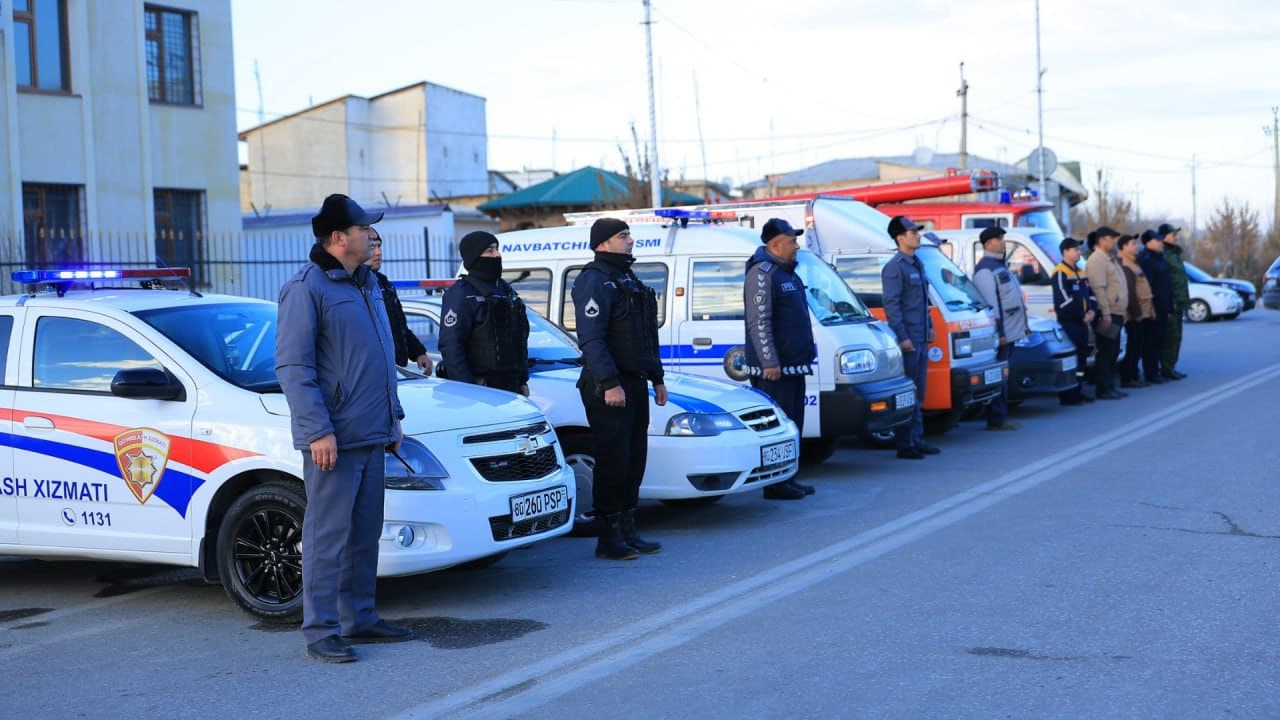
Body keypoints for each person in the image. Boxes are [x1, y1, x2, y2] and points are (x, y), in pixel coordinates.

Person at [276, 194, 413, 663]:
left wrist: (393, 416)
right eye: (362, 229)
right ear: (339, 237)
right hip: (333, 438)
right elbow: (294, 365)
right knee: (326, 536)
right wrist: (317, 430)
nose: (369, 237)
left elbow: (381, 357)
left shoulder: (367, 283)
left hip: (373, 431)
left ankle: (361, 617)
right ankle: (320, 630)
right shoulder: (306, 288)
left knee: (364, 531)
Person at [572, 218, 667, 561]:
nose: (630, 240)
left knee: (633, 459)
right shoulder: (593, 281)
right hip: (607, 386)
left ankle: (628, 527)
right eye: (622, 236)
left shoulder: (628, 279)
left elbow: (645, 337)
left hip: (634, 382)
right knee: (613, 461)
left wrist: (657, 378)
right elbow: (592, 338)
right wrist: (610, 383)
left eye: (628, 234)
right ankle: (608, 537)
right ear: (602, 244)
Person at [742, 218, 817, 500]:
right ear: (775, 244)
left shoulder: (787, 273)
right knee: (778, 428)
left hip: (793, 365)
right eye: (791, 241)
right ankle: (775, 485)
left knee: (793, 424)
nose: (796, 245)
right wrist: (769, 361)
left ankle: (788, 477)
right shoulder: (762, 273)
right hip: (774, 369)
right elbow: (759, 321)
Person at [438, 231, 530, 395]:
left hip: (512, 387)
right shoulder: (462, 293)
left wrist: (522, 380)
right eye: (490, 251)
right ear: (474, 257)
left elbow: (520, 340)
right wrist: (468, 390)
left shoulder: (506, 291)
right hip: (481, 388)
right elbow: (452, 345)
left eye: (497, 249)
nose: (497, 255)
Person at [882, 216, 938, 460]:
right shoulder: (895, 267)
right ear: (900, 237)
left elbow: (923, 303)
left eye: (917, 231)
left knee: (919, 392)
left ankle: (917, 438)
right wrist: (902, 337)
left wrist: (931, 326)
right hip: (909, 340)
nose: (918, 235)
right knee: (908, 393)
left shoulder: (917, 263)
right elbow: (892, 306)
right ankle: (905, 444)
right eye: (913, 231)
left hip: (921, 337)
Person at [971, 226, 1029, 431]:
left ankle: (1000, 416)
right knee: (998, 376)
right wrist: (1000, 334)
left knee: (1003, 375)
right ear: (988, 244)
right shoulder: (986, 269)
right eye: (998, 239)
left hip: (1011, 331)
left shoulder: (999, 266)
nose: (1003, 242)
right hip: (1002, 335)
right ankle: (996, 418)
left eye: (1002, 238)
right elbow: (992, 305)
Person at [366, 228, 433, 374]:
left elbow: (399, 326)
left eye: (379, 246)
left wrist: (419, 353)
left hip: (396, 371)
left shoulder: (384, 283)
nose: (378, 252)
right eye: (371, 247)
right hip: (373, 375)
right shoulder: (353, 288)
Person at [1084, 226, 1128, 400]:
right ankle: (1103, 388)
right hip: (1107, 313)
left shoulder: (1109, 259)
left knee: (1114, 350)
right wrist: (1105, 314)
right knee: (1106, 351)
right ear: (1102, 240)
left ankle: (1109, 386)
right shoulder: (1096, 260)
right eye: (1111, 238)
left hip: (1116, 311)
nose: (1114, 242)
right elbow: (1098, 289)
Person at [1051, 237, 1097, 405]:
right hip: (1070, 323)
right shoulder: (1060, 273)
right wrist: (1081, 315)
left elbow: (1089, 293)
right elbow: (1063, 301)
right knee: (1071, 359)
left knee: (1082, 357)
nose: (1079, 252)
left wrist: (1092, 310)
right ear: (1065, 252)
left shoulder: (1080, 271)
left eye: (1079, 249)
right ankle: (1068, 395)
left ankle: (1078, 389)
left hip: (1083, 322)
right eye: (1075, 249)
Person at [1117, 234, 1156, 387]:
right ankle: (1128, 377)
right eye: (1133, 244)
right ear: (1124, 247)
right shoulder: (1124, 264)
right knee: (1133, 346)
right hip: (1133, 314)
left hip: (1142, 312)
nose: (1136, 246)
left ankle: (1133, 375)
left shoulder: (1134, 262)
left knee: (1138, 345)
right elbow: (1130, 292)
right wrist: (1136, 313)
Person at [1137, 229, 1173, 385]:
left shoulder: (1160, 258)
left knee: (1160, 339)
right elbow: (1147, 287)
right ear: (1148, 243)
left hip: (1164, 305)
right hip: (1153, 307)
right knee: (1151, 341)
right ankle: (1150, 372)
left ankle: (1156, 370)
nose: (1160, 243)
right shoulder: (1146, 260)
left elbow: (1167, 284)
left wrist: (1170, 306)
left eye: (1160, 240)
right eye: (1157, 240)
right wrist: (1150, 308)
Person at [1158, 222, 1190, 380]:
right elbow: (1164, 281)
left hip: (1178, 302)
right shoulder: (1164, 254)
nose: (1176, 237)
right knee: (1171, 335)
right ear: (1164, 237)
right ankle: (1166, 368)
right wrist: (1170, 301)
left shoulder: (1174, 254)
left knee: (1176, 335)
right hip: (1171, 302)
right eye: (1173, 235)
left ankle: (1170, 366)